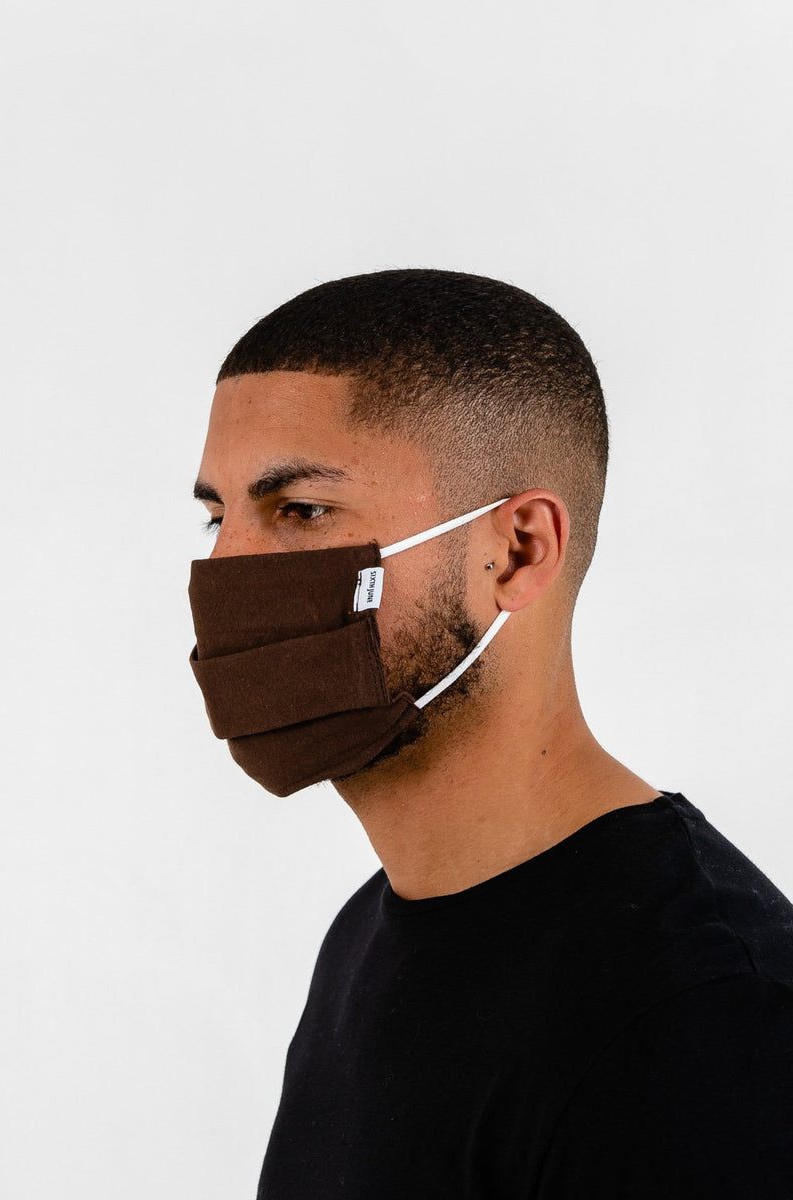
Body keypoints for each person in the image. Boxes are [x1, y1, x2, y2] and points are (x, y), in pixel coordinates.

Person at [187, 269, 793, 1198]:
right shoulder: (368, 936)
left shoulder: (708, 1020)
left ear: (517, 552)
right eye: (216, 517)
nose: (226, 569)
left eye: (301, 511)